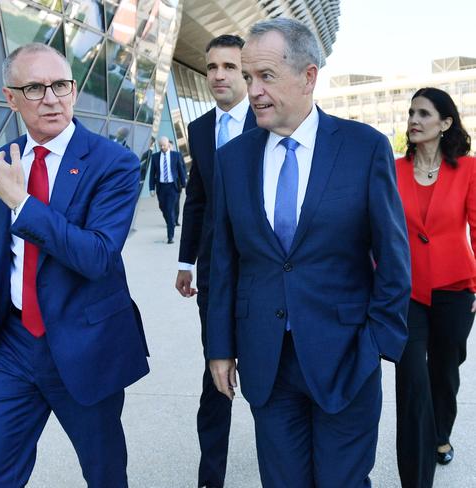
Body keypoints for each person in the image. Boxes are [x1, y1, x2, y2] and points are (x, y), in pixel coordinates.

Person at [207, 18, 411, 487]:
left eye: (265, 76)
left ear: (309, 76)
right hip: (266, 358)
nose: (252, 90)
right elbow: (224, 261)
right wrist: (219, 347)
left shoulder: (364, 148)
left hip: (346, 355)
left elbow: (394, 258)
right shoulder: (233, 159)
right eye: (248, 76)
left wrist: (378, 341)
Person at [0, 43, 149, 488]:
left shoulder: (114, 163)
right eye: (34, 88)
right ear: (11, 98)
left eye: (61, 85)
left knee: (104, 473)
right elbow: (5, 253)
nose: (51, 98)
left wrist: (21, 203)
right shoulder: (5, 161)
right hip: (13, 346)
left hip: (85, 344)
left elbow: (97, 255)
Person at [174, 33, 255, 488]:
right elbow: (197, 199)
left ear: (244, 71)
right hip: (214, 276)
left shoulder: (266, 122)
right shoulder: (201, 129)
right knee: (215, 374)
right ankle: (211, 477)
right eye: (211, 67)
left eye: (228, 66)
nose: (218, 75)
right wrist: (187, 263)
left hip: (261, 274)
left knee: (267, 378)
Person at [395, 87, 475, 488]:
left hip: (455, 289)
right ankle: (415, 477)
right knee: (412, 379)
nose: (414, 120)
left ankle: (440, 433)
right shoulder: (392, 170)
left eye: (424, 114)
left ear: (445, 124)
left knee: (444, 371)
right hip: (406, 294)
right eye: (411, 113)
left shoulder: (468, 170)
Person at [149, 135, 186, 243]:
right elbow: (152, 174)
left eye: (163, 145)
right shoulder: (155, 157)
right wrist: (151, 188)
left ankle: (170, 236)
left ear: (168, 145)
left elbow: (181, 171)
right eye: (160, 146)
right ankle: (170, 222)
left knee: (170, 210)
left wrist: (184, 185)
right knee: (163, 208)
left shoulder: (176, 155)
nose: (162, 147)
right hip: (161, 187)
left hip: (172, 187)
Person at [170, 140, 186, 226]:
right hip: (167, 184)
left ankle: (175, 220)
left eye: (170, 146)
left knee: (176, 203)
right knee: (169, 204)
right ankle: (170, 219)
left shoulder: (178, 155)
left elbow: (183, 167)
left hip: (177, 184)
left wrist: (184, 181)